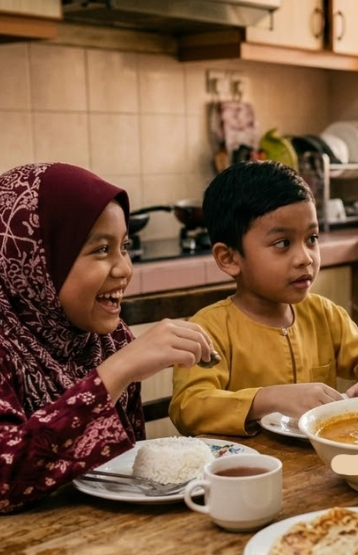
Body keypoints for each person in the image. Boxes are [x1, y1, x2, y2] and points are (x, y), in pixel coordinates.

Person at [0, 163, 217, 513]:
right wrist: (115, 373)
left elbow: (125, 472)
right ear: (35, 261)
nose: (124, 269)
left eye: (125, 246)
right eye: (102, 250)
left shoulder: (107, 339)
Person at [170, 161, 358, 437]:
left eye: (312, 238)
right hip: (247, 472)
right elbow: (189, 407)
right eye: (283, 243)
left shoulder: (323, 313)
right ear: (229, 258)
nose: (305, 258)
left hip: (317, 465)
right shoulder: (208, 330)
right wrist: (269, 398)